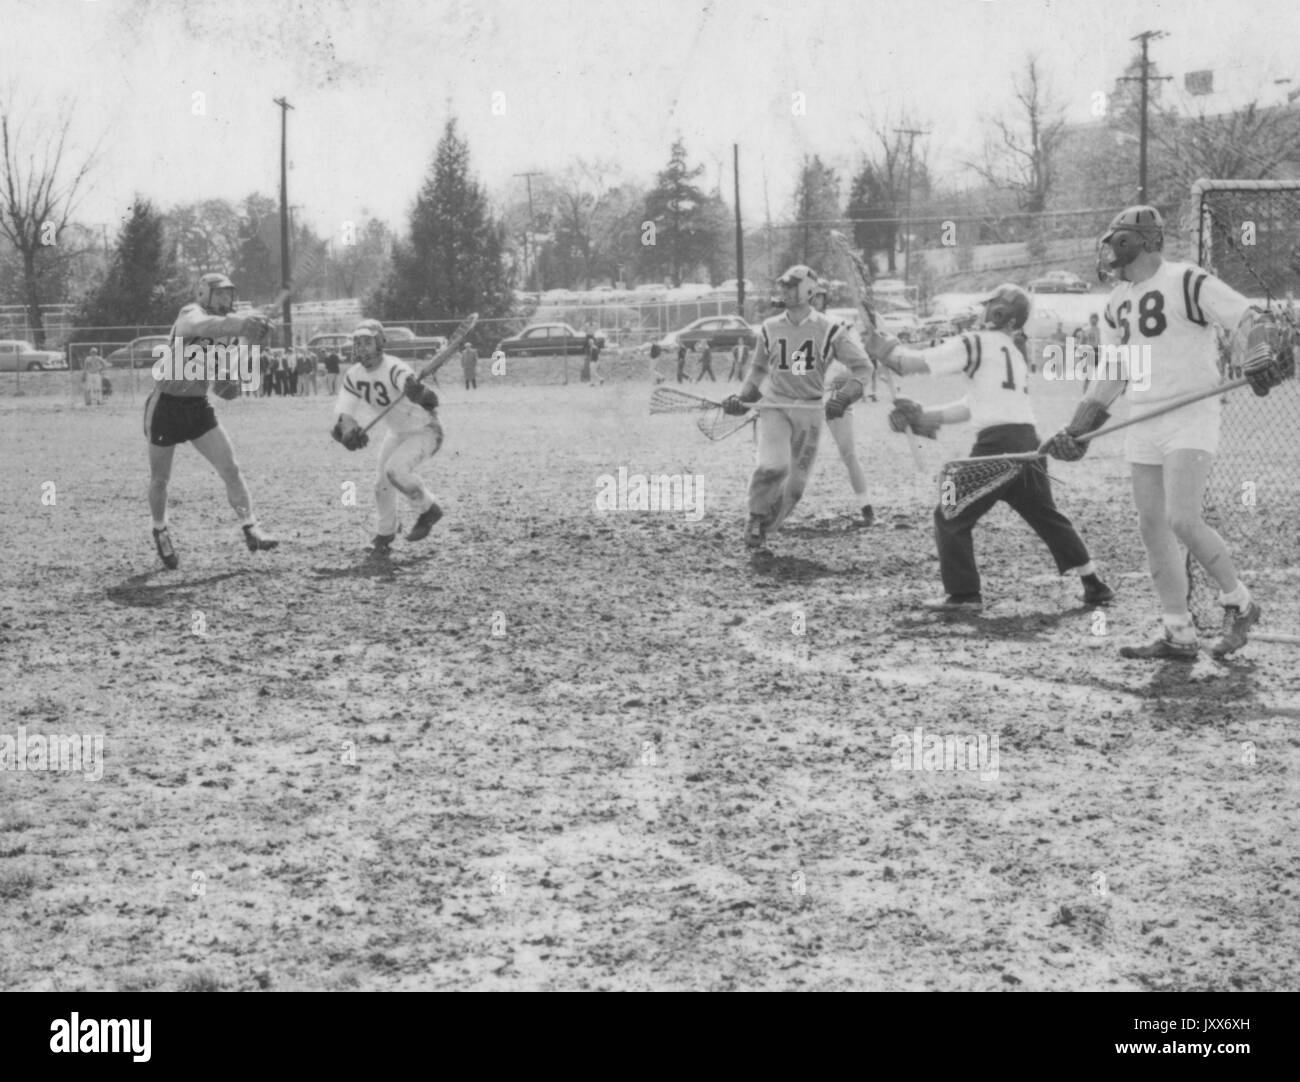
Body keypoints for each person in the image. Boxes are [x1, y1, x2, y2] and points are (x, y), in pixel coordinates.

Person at [1043, 205, 1292, 660]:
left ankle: (1240, 603)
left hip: (1190, 413)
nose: (1110, 249)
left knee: (1182, 518)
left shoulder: (1186, 280)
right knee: (1152, 524)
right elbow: (1115, 371)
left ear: (1139, 241)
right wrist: (1082, 426)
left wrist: (1261, 352)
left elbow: (1249, 316)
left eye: (1118, 239)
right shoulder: (1117, 302)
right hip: (1145, 416)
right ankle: (1178, 631)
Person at [864, 283, 1113, 611]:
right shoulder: (1012, 350)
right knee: (1046, 516)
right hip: (1026, 443)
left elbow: (917, 363)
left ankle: (964, 594)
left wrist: (887, 350)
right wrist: (924, 415)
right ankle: (1093, 583)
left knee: (949, 512)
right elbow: (973, 406)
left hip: (998, 445)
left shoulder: (976, 342)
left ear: (999, 314)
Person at [721, 265, 875, 551]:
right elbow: (757, 369)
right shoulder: (770, 327)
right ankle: (755, 518)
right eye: (783, 286)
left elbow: (864, 368)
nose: (784, 292)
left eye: (791, 286)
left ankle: (766, 526)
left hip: (810, 411)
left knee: (794, 489)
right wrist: (743, 398)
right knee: (773, 464)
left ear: (808, 290)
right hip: (775, 407)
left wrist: (845, 396)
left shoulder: (830, 330)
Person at [144, 272, 278, 570]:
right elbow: (198, 326)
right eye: (219, 294)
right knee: (160, 479)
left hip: (197, 406)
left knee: (230, 468)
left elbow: (226, 386)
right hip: (166, 405)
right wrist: (243, 323)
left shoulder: (230, 331)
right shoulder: (191, 312)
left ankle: (250, 527)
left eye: (229, 295)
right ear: (203, 294)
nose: (226, 300)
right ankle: (160, 528)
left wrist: (256, 350)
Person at [331, 318, 444, 551]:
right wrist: (348, 430)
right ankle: (385, 532)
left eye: (367, 342)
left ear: (380, 343)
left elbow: (415, 388)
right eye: (358, 343)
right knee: (381, 483)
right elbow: (345, 412)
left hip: (425, 430)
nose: (362, 348)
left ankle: (429, 509)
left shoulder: (394, 367)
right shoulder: (354, 375)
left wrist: (419, 393)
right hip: (398, 432)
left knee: (396, 471)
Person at [811, 282, 874, 526]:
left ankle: (866, 506)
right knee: (793, 455)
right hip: (810, 399)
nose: (814, 301)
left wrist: (842, 392)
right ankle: (775, 508)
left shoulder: (838, 328)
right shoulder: (797, 329)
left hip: (837, 398)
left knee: (848, 453)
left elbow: (857, 366)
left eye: (819, 297)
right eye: (811, 297)